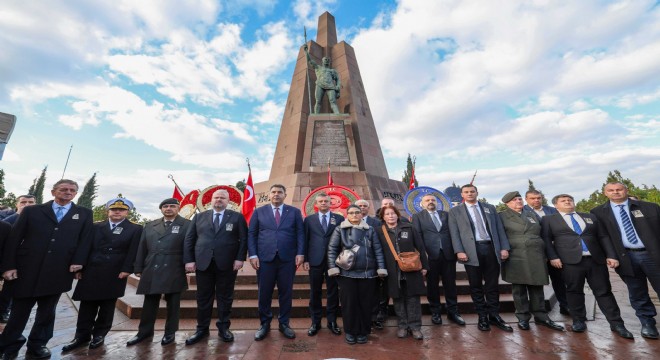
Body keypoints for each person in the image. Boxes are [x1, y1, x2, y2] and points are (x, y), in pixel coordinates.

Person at [0, 179, 93, 360]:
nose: (68, 192)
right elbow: (14, 239)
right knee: (19, 311)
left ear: (76, 194)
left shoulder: (84, 214)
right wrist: (8, 266)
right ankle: (8, 344)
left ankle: (38, 344)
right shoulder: (32, 211)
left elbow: (85, 240)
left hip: (58, 271)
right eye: (63, 189)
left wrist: (79, 261)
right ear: (53, 192)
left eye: (72, 190)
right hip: (26, 269)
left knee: (47, 312)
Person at [542, 194, 633, 339]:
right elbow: (546, 240)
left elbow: (603, 236)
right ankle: (578, 320)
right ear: (555, 205)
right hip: (569, 262)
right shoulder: (548, 220)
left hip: (595, 260)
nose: (567, 202)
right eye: (563, 201)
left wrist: (611, 255)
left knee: (604, 292)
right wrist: (553, 257)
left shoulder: (589, 216)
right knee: (573, 291)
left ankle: (616, 323)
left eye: (570, 200)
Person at [63, 197, 142, 352]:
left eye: (121, 210)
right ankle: (81, 336)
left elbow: (134, 251)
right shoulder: (95, 226)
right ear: (108, 211)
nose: (117, 212)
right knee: (87, 305)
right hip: (92, 269)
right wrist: (80, 268)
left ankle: (99, 334)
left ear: (127, 212)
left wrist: (127, 269)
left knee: (107, 305)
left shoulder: (135, 229)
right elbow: (85, 247)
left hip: (115, 270)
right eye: (114, 209)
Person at [591, 182, 660, 339]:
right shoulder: (597, 213)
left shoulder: (649, 207)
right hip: (625, 257)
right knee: (637, 291)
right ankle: (647, 322)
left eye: (619, 189)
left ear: (626, 190)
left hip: (653, 255)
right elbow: (602, 237)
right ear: (605, 193)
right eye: (611, 190)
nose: (616, 192)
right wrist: (610, 255)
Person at [183, 189, 248, 345]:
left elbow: (243, 240)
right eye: (216, 197)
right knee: (203, 298)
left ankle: (224, 328)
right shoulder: (199, 217)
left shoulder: (237, 217)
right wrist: (189, 260)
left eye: (222, 198)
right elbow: (189, 240)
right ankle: (201, 329)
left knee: (225, 297)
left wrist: (240, 258)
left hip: (227, 264)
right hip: (203, 264)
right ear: (210, 200)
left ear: (228, 201)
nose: (219, 200)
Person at [127, 198, 191, 346]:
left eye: (172, 206)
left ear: (178, 208)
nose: (169, 208)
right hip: (152, 265)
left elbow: (190, 246)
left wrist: (189, 264)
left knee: (173, 303)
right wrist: (138, 268)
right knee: (149, 302)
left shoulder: (187, 224)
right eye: (165, 206)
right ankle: (144, 332)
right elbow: (142, 247)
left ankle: (170, 333)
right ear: (161, 209)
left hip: (175, 266)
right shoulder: (150, 225)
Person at [448, 184, 512, 332]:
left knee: (492, 285)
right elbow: (454, 233)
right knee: (475, 285)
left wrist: (504, 247)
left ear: (477, 192)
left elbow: (499, 229)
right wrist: (459, 251)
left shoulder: (489, 208)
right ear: (462, 195)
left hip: (491, 248)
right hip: (471, 251)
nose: (469, 194)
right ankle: (482, 316)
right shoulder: (455, 211)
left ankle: (494, 315)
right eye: (466, 192)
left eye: (472, 191)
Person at [499, 191, 563, 332]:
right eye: (515, 200)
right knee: (519, 289)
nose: (519, 201)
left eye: (520, 199)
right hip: (516, 254)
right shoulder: (502, 216)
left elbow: (543, 233)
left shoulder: (531, 214)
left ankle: (541, 316)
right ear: (507, 203)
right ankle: (523, 317)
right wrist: (503, 249)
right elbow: (499, 235)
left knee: (537, 286)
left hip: (536, 254)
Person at [248, 184, 305, 341]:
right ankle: (264, 324)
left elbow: (300, 233)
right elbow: (251, 234)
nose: (276, 194)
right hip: (265, 259)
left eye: (280, 192)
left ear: (285, 195)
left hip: (288, 259)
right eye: (273, 192)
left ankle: (284, 323)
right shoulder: (259, 212)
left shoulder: (294, 212)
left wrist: (300, 253)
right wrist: (253, 255)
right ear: (269, 194)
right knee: (264, 292)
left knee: (285, 293)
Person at [327, 204, 387, 344]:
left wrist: (381, 268)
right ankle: (350, 331)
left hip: (368, 274)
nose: (354, 215)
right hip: (347, 274)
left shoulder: (370, 230)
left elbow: (378, 250)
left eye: (357, 212)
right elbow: (332, 250)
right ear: (347, 215)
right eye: (352, 213)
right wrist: (333, 268)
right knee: (349, 304)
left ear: (362, 214)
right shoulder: (339, 229)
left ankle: (363, 331)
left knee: (366, 304)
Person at [377, 204, 428, 340]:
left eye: (393, 213)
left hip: (412, 268)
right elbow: (378, 251)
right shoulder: (379, 231)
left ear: (397, 215)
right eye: (387, 214)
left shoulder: (409, 227)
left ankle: (415, 327)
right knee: (398, 298)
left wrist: (425, 266)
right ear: (383, 217)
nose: (390, 216)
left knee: (413, 298)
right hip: (392, 270)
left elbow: (421, 248)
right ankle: (403, 326)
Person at [412, 194, 465, 326]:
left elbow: (454, 232)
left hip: (448, 255)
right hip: (430, 256)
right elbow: (417, 237)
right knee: (432, 286)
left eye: (433, 200)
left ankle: (453, 312)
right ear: (422, 204)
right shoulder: (417, 217)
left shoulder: (446, 215)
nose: (431, 202)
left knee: (450, 285)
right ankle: (435, 312)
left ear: (437, 203)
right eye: (427, 200)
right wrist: (423, 255)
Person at [303, 193, 344, 336]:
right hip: (314, 261)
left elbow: (342, 241)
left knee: (333, 292)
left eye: (326, 201)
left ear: (330, 203)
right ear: (316, 203)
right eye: (320, 201)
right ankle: (315, 322)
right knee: (315, 292)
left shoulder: (339, 219)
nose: (323, 203)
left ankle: (332, 321)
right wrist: (306, 259)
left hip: (334, 261)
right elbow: (305, 240)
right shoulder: (309, 220)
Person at [524, 190, 569, 315]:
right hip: (535, 252)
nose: (536, 200)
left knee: (559, 280)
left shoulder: (553, 210)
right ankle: (539, 310)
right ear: (526, 199)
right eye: (532, 198)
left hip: (555, 251)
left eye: (538, 198)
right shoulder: (522, 212)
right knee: (537, 282)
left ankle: (565, 306)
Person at [0, 195, 36, 324]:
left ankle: (5, 311)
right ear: (17, 204)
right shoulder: (7, 219)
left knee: (12, 290)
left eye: (30, 202)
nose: (26, 205)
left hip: (26, 261)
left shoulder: (38, 220)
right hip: (7, 259)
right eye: (23, 202)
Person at [303, 44, 341, 114]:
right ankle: (315, 116)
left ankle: (338, 115)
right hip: (320, 84)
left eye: (328, 60)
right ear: (322, 61)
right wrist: (306, 52)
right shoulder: (318, 67)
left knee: (333, 102)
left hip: (330, 86)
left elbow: (338, 79)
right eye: (325, 59)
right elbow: (310, 61)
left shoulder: (332, 71)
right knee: (318, 101)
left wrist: (338, 86)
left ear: (329, 62)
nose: (326, 60)